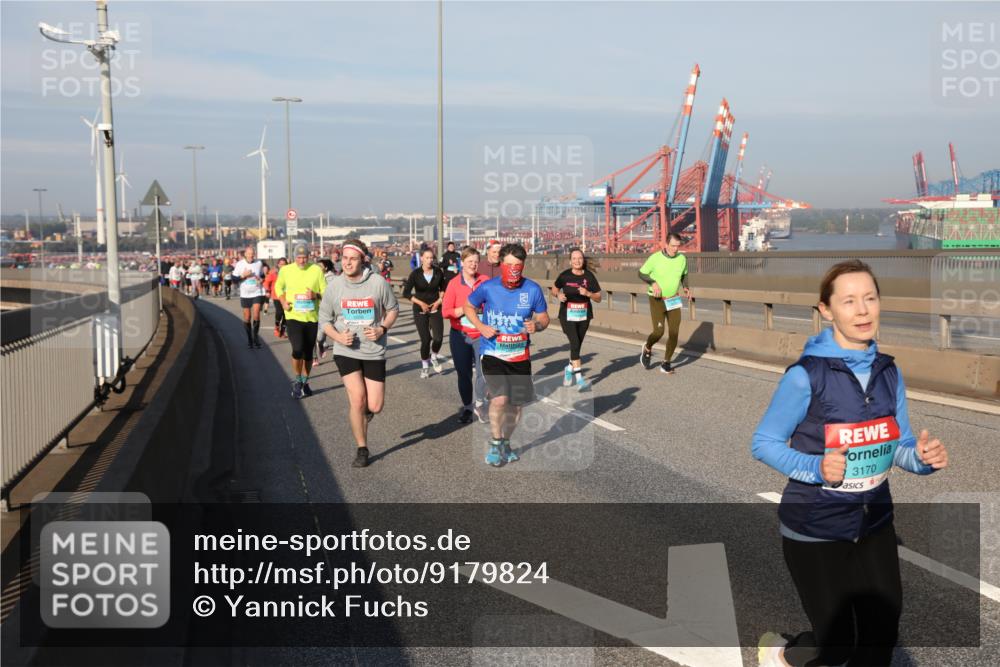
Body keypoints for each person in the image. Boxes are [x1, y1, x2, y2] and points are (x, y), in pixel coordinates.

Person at [752, 260, 949, 667]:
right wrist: (816, 467)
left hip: (874, 521)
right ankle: (783, 654)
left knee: (881, 635)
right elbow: (764, 443)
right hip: (815, 526)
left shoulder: (889, 372)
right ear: (827, 310)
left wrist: (922, 459)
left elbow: (900, 444)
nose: (862, 311)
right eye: (849, 301)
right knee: (838, 643)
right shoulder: (805, 376)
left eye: (870, 298)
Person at [463, 243, 549, 467]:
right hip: (493, 353)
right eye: (509, 265)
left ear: (523, 266)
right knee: (500, 399)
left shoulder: (532, 289)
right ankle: (495, 441)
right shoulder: (488, 287)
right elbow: (468, 306)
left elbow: (544, 318)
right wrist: (481, 327)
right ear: (501, 264)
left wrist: (536, 326)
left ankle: (506, 442)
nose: (513, 269)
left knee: (516, 407)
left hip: (520, 355)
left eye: (517, 266)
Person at [319, 239, 399, 468]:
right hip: (346, 350)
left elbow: (393, 309)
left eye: (352, 259)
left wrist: (382, 328)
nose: (347, 263)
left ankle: (366, 412)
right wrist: (337, 337)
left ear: (362, 260)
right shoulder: (334, 285)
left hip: (373, 350)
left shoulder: (377, 283)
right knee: (357, 398)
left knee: (374, 406)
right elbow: (324, 319)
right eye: (344, 258)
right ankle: (362, 448)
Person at [441, 246, 488, 424]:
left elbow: (493, 303)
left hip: (481, 334)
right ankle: (468, 407)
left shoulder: (485, 281)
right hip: (460, 335)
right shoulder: (454, 283)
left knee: (483, 374)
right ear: (462, 263)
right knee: (464, 374)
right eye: (470, 262)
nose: (473, 265)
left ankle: (481, 404)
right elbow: (445, 312)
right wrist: (464, 309)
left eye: (476, 262)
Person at [274, 243, 326, 398]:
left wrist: (315, 295)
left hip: (311, 318)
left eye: (305, 257)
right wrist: (283, 301)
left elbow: (326, 291)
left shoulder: (316, 270)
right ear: (293, 257)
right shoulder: (285, 270)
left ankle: (305, 380)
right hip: (293, 316)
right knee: (297, 350)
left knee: (309, 353)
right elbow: (279, 287)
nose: (302, 261)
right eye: (299, 257)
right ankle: (297, 380)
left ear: (309, 257)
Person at [638, 233, 690, 374]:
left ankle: (666, 363)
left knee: (674, 332)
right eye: (673, 246)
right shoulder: (655, 258)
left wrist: (686, 287)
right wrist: (653, 283)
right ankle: (648, 347)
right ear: (666, 245)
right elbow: (641, 273)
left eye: (678, 246)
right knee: (659, 331)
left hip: (673, 299)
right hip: (657, 299)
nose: (675, 249)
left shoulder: (682, 259)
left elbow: (684, 274)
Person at [551, 248, 602, 389]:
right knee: (574, 342)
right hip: (567, 315)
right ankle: (579, 379)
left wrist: (588, 293)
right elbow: (554, 289)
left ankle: (568, 369)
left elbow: (599, 298)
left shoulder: (589, 277)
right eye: (574, 258)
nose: (577, 261)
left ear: (583, 260)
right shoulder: (565, 276)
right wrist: (558, 295)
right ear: (570, 261)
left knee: (577, 346)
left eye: (579, 258)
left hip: (584, 315)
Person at [402, 247, 447, 379]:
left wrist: (439, 301)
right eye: (427, 258)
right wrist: (420, 303)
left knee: (438, 338)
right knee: (426, 340)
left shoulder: (438, 272)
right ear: (421, 258)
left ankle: (433, 356)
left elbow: (443, 288)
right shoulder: (415, 274)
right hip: (420, 310)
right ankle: (425, 367)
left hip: (435, 308)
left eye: (431, 258)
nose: (429, 260)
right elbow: (406, 293)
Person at [233, 245, 266, 349]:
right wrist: (243, 276)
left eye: (253, 254)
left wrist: (261, 279)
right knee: (247, 317)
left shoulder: (259, 263)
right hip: (245, 293)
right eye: (249, 254)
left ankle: (256, 337)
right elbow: (234, 279)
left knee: (256, 314)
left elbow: (262, 276)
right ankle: (249, 338)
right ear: (245, 254)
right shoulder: (239, 264)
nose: (251, 256)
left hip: (257, 292)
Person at [266, 257, 288, 338]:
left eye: (284, 264)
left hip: (287, 296)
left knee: (286, 314)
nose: (282, 266)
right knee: (279, 312)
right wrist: (267, 291)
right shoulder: (273, 273)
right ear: (278, 265)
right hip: (276, 296)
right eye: (281, 264)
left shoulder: (290, 273)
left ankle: (282, 332)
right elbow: (267, 282)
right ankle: (276, 326)